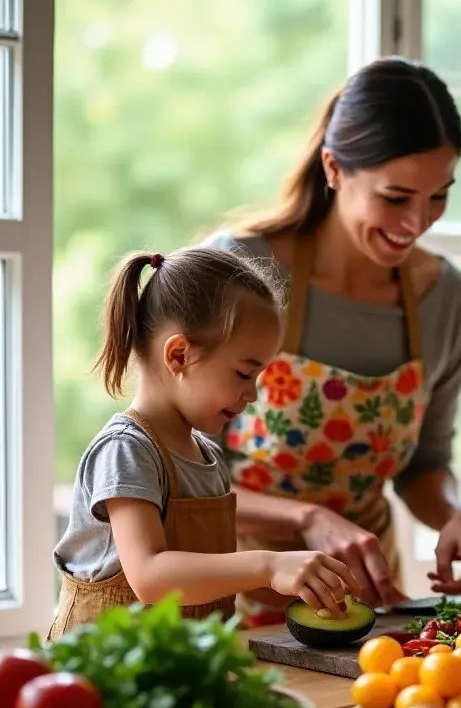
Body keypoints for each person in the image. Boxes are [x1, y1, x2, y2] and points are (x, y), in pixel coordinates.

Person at [207, 57, 461, 625]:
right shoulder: (242, 269)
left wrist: (456, 517)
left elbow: (425, 463)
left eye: (439, 197)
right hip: (229, 589)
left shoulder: (446, 299)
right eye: (395, 197)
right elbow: (173, 470)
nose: (417, 222)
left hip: (363, 599)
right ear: (333, 169)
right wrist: (305, 518)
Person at [50, 247, 362, 640]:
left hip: (181, 670)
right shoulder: (126, 450)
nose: (253, 394)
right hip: (107, 680)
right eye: (244, 373)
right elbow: (150, 576)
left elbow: (210, 574)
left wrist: (302, 581)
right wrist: (267, 565)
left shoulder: (206, 455)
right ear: (179, 355)